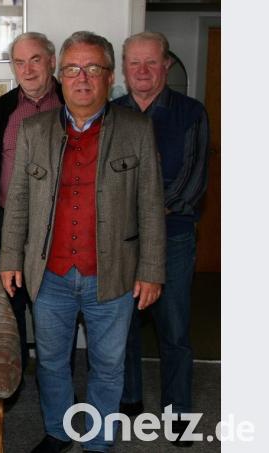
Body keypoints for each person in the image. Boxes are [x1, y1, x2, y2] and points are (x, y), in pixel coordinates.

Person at [0, 31, 166, 452]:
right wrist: (9, 258)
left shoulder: (137, 129)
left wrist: (151, 271)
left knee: (107, 366)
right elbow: (16, 201)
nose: (82, 78)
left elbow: (150, 205)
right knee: (51, 363)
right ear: (60, 76)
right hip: (49, 274)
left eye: (93, 69)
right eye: (73, 69)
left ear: (110, 78)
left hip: (112, 276)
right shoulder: (35, 130)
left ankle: (96, 439)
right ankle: (58, 430)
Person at [113, 31, 210, 447]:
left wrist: (147, 214)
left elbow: (192, 181)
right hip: (122, 242)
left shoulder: (191, 113)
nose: (142, 71)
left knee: (174, 332)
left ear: (166, 64)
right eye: (134, 63)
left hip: (173, 239)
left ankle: (177, 416)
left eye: (151, 62)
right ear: (123, 67)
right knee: (124, 328)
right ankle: (130, 399)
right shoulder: (111, 113)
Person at [0, 32, 64, 382]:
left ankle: (55, 380)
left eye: (36, 60)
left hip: (60, 225)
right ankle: (15, 379)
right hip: (11, 224)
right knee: (12, 303)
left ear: (52, 61)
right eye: (20, 61)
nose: (28, 69)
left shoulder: (71, 101)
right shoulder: (1, 109)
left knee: (54, 307)